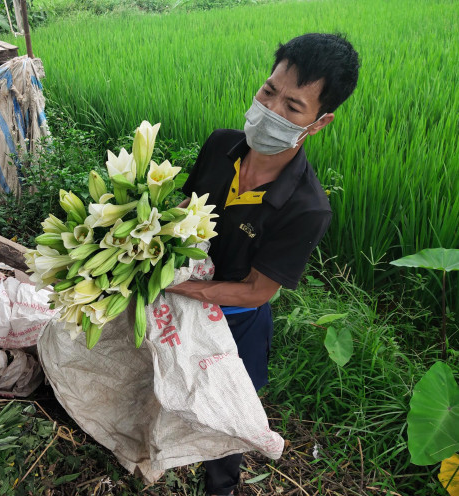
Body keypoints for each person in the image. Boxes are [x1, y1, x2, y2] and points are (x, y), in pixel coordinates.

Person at [166, 33, 360, 496]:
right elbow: (182, 210)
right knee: (167, 380)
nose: (271, 111)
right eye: (268, 91)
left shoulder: (307, 207)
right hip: (178, 295)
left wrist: (171, 286)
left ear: (319, 121)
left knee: (226, 416)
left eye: (293, 107)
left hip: (235, 324)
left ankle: (221, 486)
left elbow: (257, 291)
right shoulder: (220, 146)